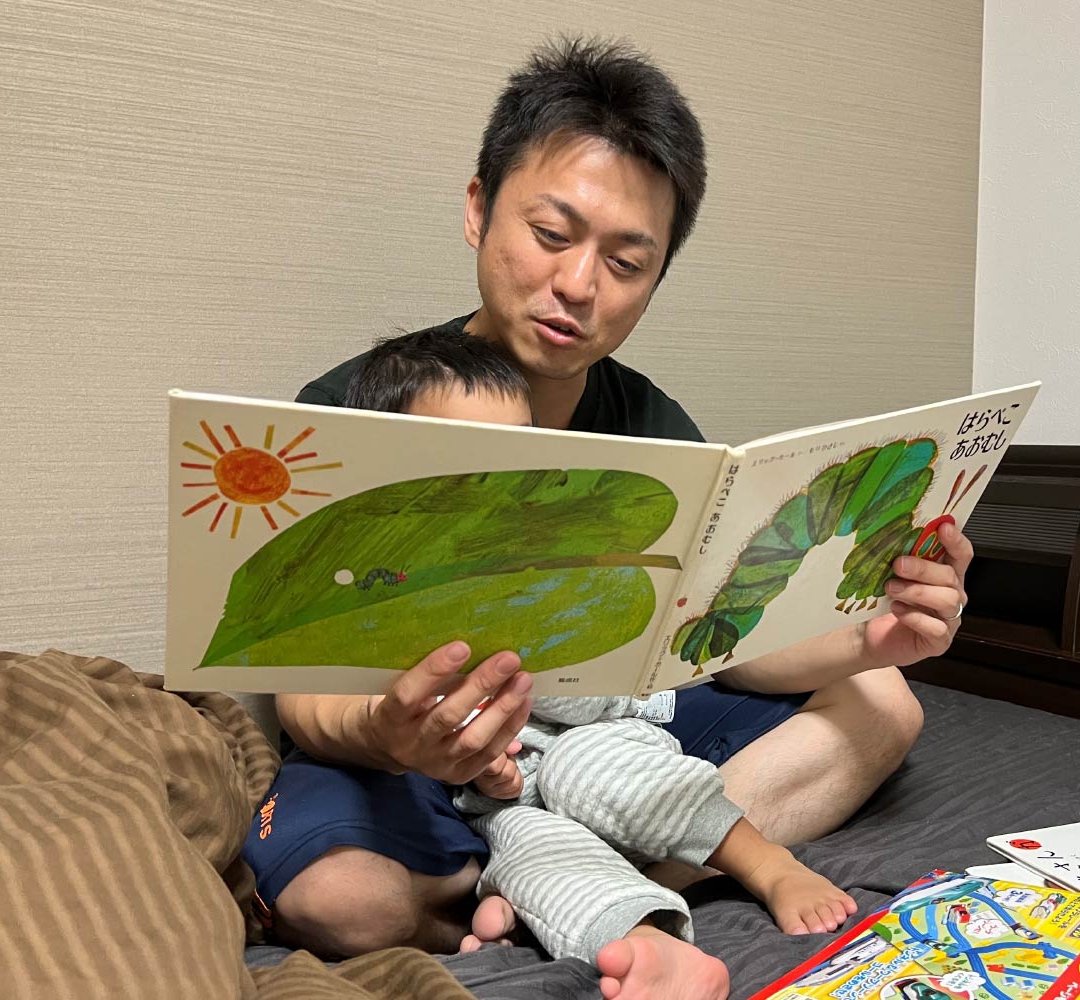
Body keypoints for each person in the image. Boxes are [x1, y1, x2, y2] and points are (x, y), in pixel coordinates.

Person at [242, 37, 970, 1000]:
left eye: (626, 261)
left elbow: (716, 643)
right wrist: (394, 733)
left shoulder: (654, 428)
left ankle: (555, 887)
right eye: (552, 234)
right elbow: (303, 699)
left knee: (883, 699)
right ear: (478, 209)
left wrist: (869, 637)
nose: (580, 286)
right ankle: (585, 878)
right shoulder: (361, 407)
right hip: (413, 749)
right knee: (341, 898)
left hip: (599, 736)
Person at [336, 326, 856, 983]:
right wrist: (487, 768)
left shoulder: (555, 559)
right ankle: (650, 944)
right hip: (499, 797)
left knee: (592, 771)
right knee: (529, 847)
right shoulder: (386, 587)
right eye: (466, 462)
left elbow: (604, 687)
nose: (501, 486)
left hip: (598, 736)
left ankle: (768, 864)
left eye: (522, 455)